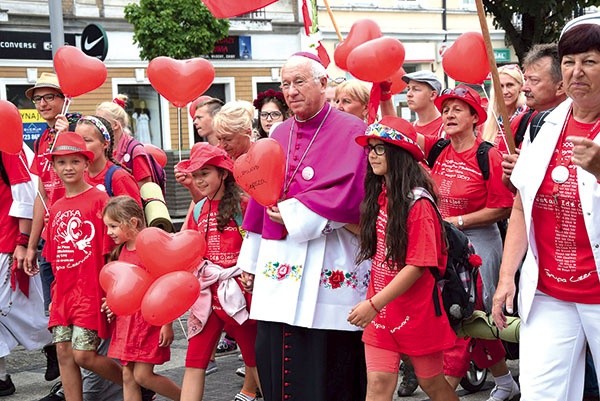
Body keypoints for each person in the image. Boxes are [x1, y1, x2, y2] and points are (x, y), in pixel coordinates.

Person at [237, 52, 369, 401]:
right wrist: (249, 262)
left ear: (323, 84)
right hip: (281, 254)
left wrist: (298, 213)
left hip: (331, 251)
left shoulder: (352, 130)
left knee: (328, 360)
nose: (291, 91)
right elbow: (259, 196)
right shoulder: (279, 131)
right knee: (277, 351)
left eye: (299, 82)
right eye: (285, 84)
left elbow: (352, 194)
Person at [492, 17, 600, 401]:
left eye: (589, 61)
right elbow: (522, 203)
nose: (577, 72)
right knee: (540, 394)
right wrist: (507, 277)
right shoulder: (544, 124)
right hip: (550, 293)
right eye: (570, 62)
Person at [349, 116, 458, 401]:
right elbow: (377, 239)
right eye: (370, 148)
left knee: (432, 383)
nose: (371, 155)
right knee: (378, 385)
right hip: (382, 308)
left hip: (415, 309)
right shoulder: (381, 194)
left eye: (379, 148)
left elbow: (419, 265)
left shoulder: (418, 203)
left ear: (399, 154)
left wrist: (373, 304)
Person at [423, 85, 519, 401]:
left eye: (457, 109)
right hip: (444, 244)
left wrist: (456, 222)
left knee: (473, 314)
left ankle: (445, 390)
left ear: (474, 117)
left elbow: (504, 207)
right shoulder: (437, 150)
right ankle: (504, 382)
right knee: (469, 317)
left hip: (479, 244)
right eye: (445, 108)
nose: (448, 114)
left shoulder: (486, 154)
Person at [27, 132, 123, 401]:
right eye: (61, 162)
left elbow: (112, 252)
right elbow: (55, 257)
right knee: (64, 354)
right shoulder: (55, 207)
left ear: (85, 163)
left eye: (74, 161)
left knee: (85, 355)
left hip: (91, 291)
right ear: (54, 167)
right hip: (64, 293)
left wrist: (112, 293)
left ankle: (136, 385)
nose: (68, 168)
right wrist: (54, 294)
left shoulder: (100, 201)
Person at [175, 144, 260, 401]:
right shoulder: (199, 208)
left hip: (241, 293)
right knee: (194, 361)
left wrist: (251, 272)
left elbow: (259, 241)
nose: (199, 180)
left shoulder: (244, 204)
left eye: (206, 173)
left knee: (255, 360)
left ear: (223, 173)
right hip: (207, 295)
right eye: (196, 174)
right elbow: (189, 246)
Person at [101, 196, 181, 401]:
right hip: (127, 323)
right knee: (128, 376)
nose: (109, 232)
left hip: (148, 323)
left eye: (113, 226)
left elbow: (167, 287)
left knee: (142, 375)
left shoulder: (150, 248)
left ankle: (188, 397)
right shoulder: (120, 251)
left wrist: (167, 324)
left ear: (133, 222)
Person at [0, 148, 54, 396]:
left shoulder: (7, 147)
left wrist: (22, 241)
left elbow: (25, 191)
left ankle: (56, 342)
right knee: (19, 306)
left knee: (13, 306)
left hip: (6, 239)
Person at [75, 116, 141, 204]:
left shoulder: (120, 177)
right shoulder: (78, 175)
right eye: (77, 140)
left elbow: (134, 216)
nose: (80, 146)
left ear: (105, 144)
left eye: (87, 140)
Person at [96, 96, 155, 188]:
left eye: (101, 121)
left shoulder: (135, 151)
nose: (96, 125)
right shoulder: (101, 147)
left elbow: (145, 189)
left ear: (115, 125)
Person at [481, 64, 527, 154]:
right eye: (500, 86)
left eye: (510, 85)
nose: (505, 91)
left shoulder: (529, 117)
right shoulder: (488, 119)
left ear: (521, 86)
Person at [402, 71, 444, 139]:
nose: (409, 94)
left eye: (416, 89)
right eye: (408, 89)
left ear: (433, 95)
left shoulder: (446, 127)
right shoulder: (410, 128)